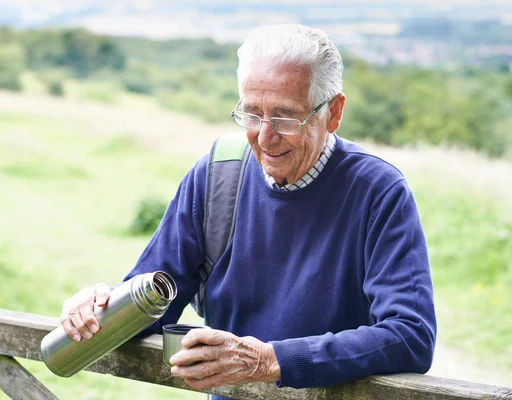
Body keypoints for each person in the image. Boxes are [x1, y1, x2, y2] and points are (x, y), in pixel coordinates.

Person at [60, 24, 437, 397]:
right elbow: (155, 302)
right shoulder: (218, 173)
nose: (265, 135)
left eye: (286, 116)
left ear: (333, 112)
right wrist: (102, 309)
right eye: (252, 113)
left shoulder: (378, 191)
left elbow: (410, 335)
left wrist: (271, 360)